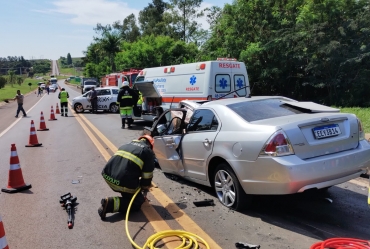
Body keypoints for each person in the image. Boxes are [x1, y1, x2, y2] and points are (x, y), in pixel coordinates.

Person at [98, 135, 155, 220]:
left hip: (107, 176)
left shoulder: (126, 145)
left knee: (129, 187)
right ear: (150, 145)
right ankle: (110, 204)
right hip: (122, 182)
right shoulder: (148, 151)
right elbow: (147, 177)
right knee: (137, 202)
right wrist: (143, 187)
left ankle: (126, 194)